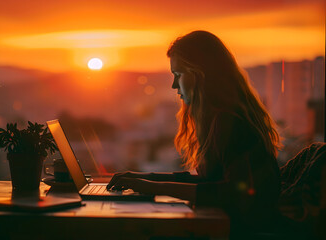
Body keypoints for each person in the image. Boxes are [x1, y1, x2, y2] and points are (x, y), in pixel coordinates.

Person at [107, 30, 282, 236]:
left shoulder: (229, 121)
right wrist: (145, 179)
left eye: (178, 75)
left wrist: (151, 186)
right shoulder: (222, 117)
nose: (174, 85)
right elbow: (210, 183)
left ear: (200, 74)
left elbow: (231, 193)